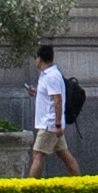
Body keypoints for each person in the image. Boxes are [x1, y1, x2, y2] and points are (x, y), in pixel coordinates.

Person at [28, 40, 81, 177]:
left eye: (36, 58)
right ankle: (80, 182)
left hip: (49, 124)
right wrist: (37, 93)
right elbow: (51, 98)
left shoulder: (52, 76)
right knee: (64, 154)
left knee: (37, 154)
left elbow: (58, 100)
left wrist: (57, 124)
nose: (35, 61)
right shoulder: (46, 75)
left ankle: (30, 188)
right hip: (52, 123)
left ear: (40, 59)